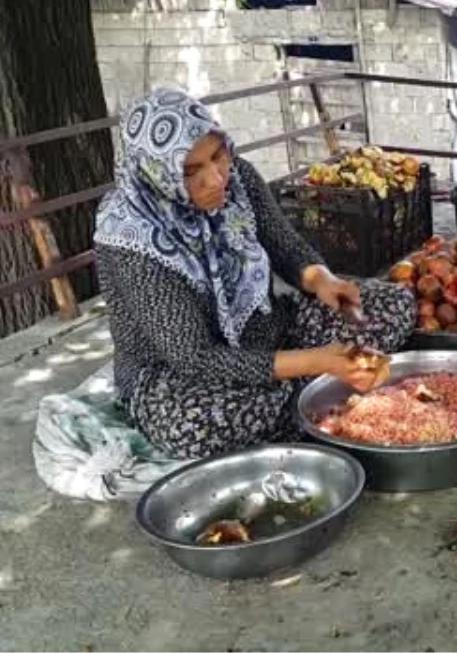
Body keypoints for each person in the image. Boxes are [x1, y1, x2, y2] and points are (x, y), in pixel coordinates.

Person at [94, 87, 416, 460]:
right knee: (196, 424)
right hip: (178, 376)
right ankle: (312, 393)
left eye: (218, 156)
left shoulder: (238, 178)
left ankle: (300, 398)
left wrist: (321, 280)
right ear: (155, 172)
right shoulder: (130, 236)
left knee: (392, 305)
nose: (215, 179)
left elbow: (285, 246)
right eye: (190, 171)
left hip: (268, 333)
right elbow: (195, 357)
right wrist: (320, 360)